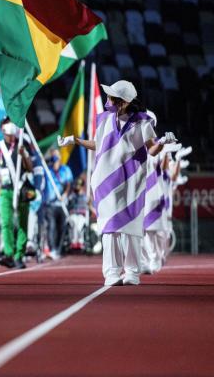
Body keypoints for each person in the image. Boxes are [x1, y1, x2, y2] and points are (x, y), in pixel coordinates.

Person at [59, 80, 175, 286]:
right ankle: (111, 273)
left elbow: (151, 149)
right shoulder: (103, 119)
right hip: (105, 182)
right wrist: (75, 140)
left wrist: (163, 142)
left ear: (123, 102)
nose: (107, 100)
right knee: (109, 228)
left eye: (111, 96)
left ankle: (132, 272)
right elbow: (98, 144)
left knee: (131, 228)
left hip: (131, 182)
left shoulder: (143, 121)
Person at [0, 119, 33, 269]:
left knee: (22, 223)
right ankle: (9, 253)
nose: (9, 137)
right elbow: (1, 169)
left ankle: (19, 255)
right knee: (6, 222)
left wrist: (23, 155)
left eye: (11, 134)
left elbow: (29, 168)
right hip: (6, 189)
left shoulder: (22, 144)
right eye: (7, 134)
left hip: (21, 188)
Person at [41, 149, 73, 260]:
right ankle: (53, 249)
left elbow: (69, 183)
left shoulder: (65, 169)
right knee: (52, 226)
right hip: (51, 204)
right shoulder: (47, 170)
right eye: (53, 156)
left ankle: (59, 249)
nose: (56, 158)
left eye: (57, 156)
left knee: (62, 227)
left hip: (62, 204)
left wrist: (65, 194)